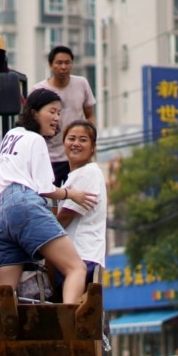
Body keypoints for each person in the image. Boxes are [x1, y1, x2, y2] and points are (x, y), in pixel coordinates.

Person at [0, 89, 98, 305]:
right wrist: (71, 194)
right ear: (34, 112)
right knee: (75, 268)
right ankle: (69, 328)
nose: (57, 118)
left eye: (59, 113)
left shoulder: (10, 136)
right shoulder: (35, 139)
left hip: (1, 214)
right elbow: (44, 188)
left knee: (3, 290)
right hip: (24, 204)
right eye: (52, 111)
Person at [31, 46, 95, 186]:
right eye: (59, 63)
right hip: (49, 157)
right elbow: (32, 123)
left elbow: (90, 115)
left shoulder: (82, 84)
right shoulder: (39, 90)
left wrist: (89, 140)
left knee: (76, 197)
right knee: (50, 199)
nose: (63, 67)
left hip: (75, 154)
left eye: (67, 63)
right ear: (50, 65)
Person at [55, 120, 107, 284]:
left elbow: (64, 218)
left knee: (73, 308)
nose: (76, 144)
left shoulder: (89, 172)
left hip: (83, 257)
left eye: (83, 140)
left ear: (93, 147)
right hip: (73, 258)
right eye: (71, 138)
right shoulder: (72, 177)